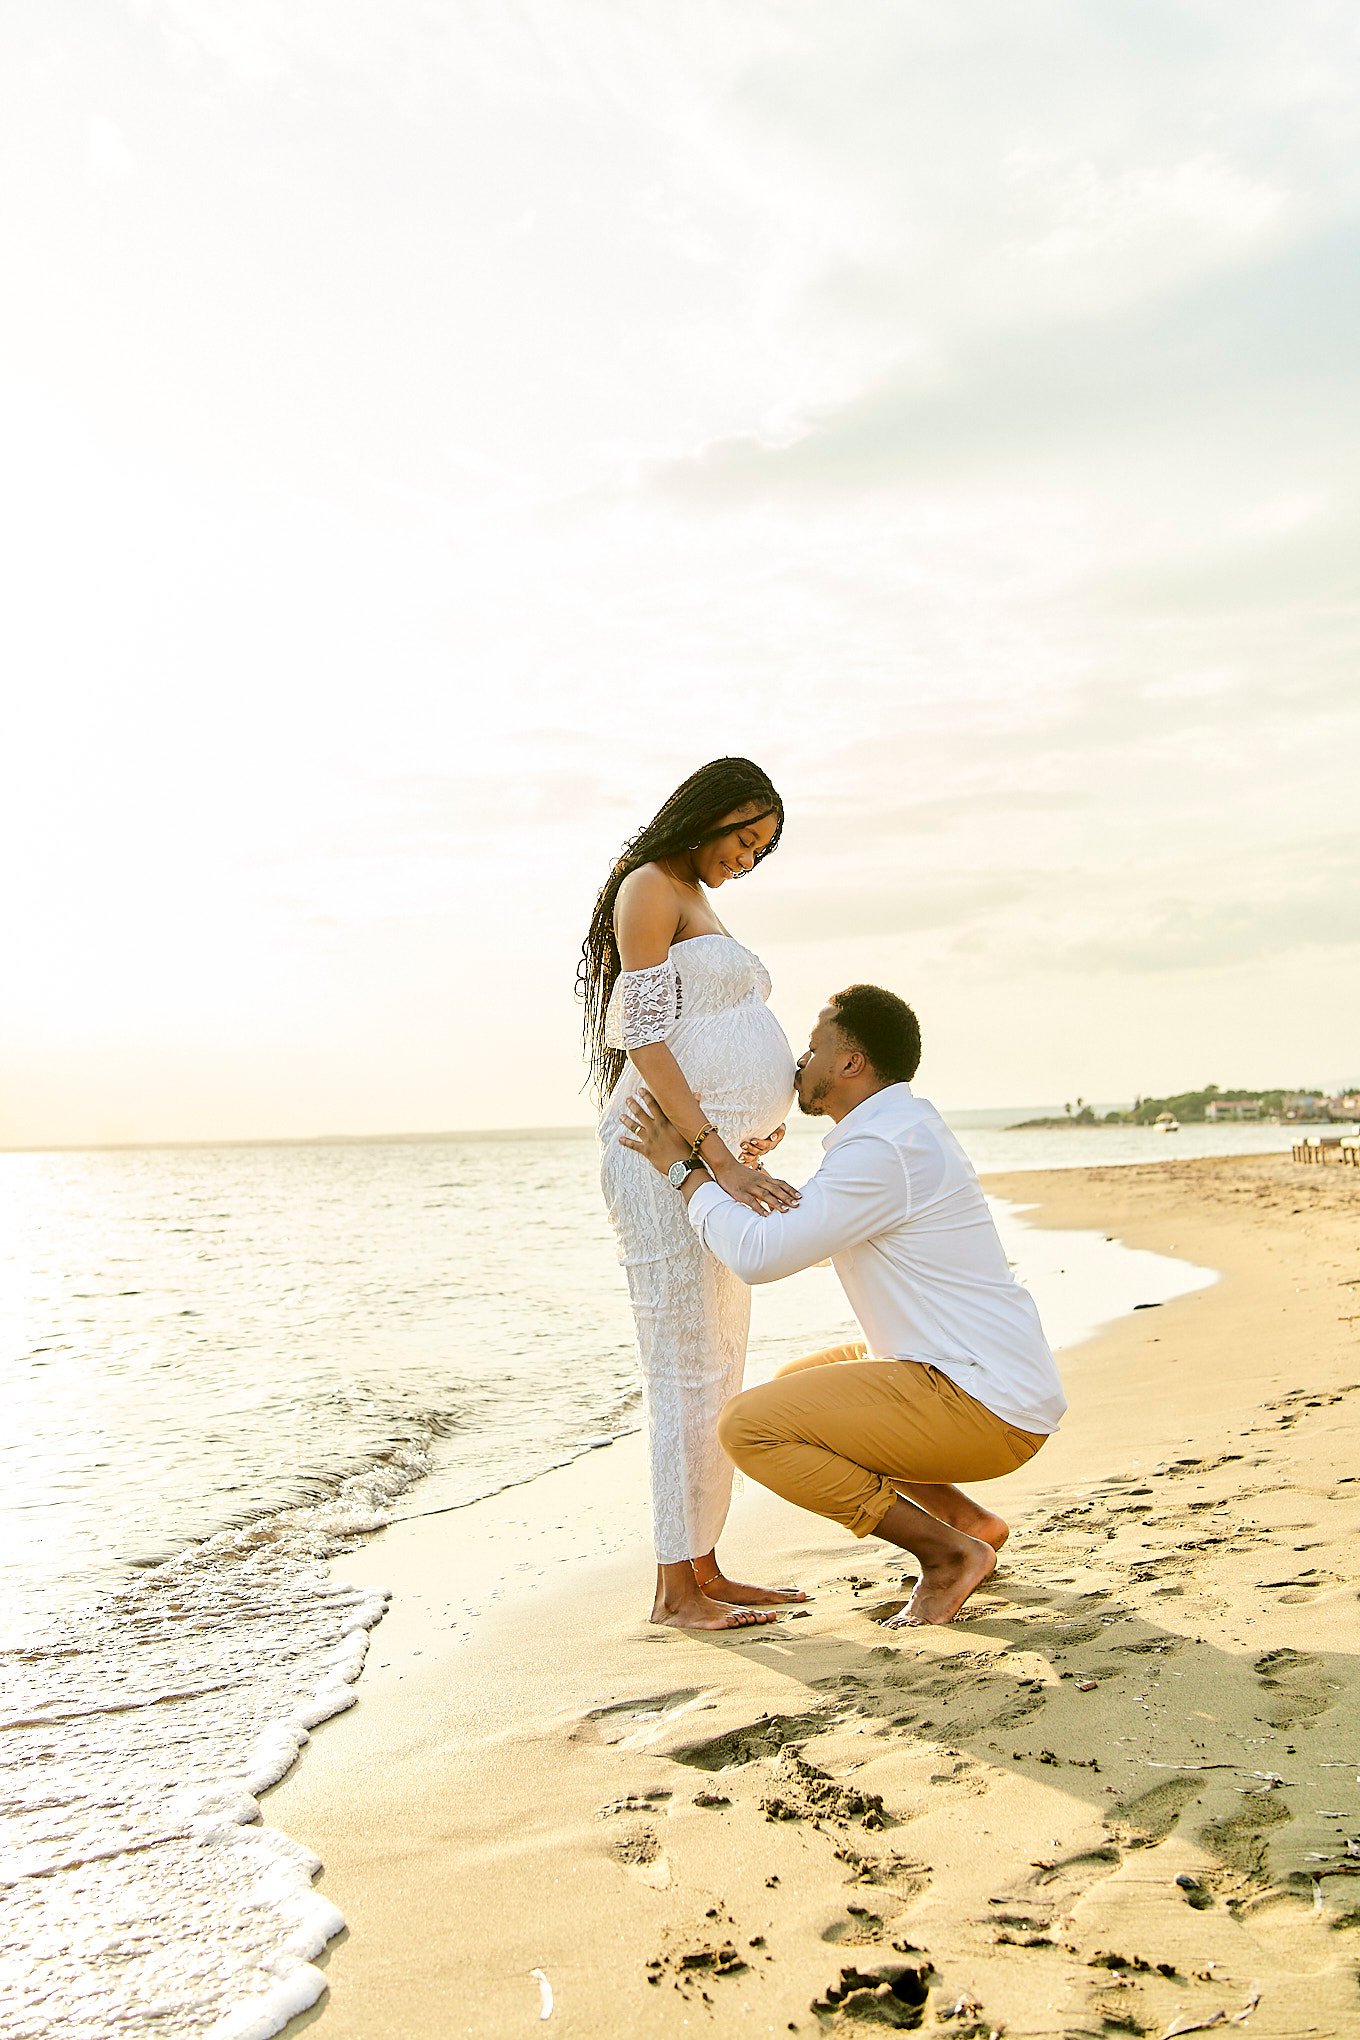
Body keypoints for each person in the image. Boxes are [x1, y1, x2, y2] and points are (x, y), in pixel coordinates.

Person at [618, 984, 1067, 1627]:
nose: (800, 1063)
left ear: (850, 1063)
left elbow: (759, 1257)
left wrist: (682, 1170)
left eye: (813, 1047)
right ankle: (968, 1522)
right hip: (989, 1379)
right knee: (793, 1387)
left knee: (750, 1427)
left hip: (984, 1403)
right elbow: (820, 1227)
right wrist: (731, 1175)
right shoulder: (896, 1132)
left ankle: (946, 1555)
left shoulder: (882, 1149)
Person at [579, 756, 809, 1631]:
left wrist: (758, 1121)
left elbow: (715, 1033)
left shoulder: (702, 904)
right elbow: (641, 1038)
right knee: (682, 1366)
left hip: (714, 1156)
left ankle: (704, 1566)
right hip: (661, 1158)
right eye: (744, 840)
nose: (747, 861)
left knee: (717, 1365)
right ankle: (674, 1590)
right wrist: (717, 1151)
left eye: (762, 852)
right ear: (707, 816)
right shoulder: (650, 887)